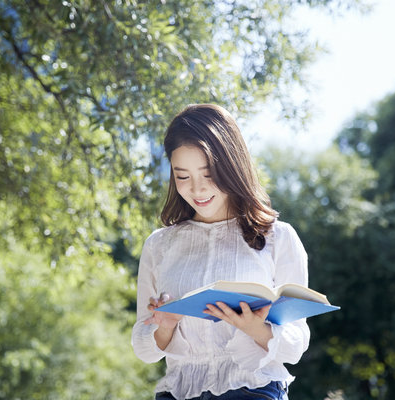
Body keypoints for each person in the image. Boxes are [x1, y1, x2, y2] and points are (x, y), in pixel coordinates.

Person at [131, 104, 310, 400]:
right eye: (182, 176)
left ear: (232, 165)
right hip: (178, 392)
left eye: (208, 173)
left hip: (254, 390)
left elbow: (296, 346)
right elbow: (144, 350)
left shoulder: (278, 237)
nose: (197, 190)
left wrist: (257, 329)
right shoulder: (159, 245)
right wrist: (165, 327)